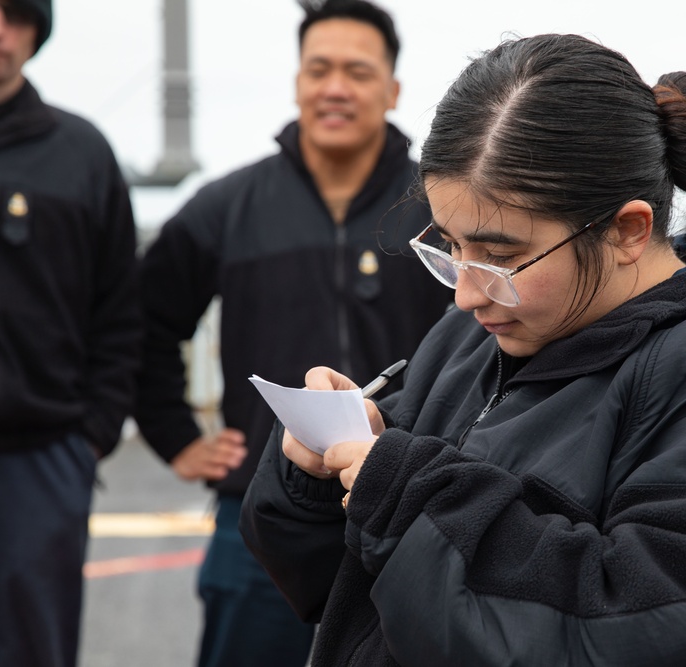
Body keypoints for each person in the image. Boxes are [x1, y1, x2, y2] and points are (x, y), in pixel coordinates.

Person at [239, 34, 686, 665]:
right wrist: (323, 478)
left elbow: (662, 635)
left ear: (629, 229)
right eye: (450, 248)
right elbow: (350, 597)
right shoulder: (480, 332)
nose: (466, 292)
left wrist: (411, 497)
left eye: (500, 255)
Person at [133, 1, 450, 665]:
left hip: (410, 505)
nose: (336, 87)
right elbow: (142, 318)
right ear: (298, 81)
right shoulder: (229, 206)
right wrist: (176, 436)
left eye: (358, 72)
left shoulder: (441, 208)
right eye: (319, 69)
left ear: (392, 89)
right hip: (259, 516)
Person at [0, 1, 140, 666]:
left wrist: (89, 434)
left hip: (42, 461)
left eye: (14, 13)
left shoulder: (81, 154)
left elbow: (121, 307)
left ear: (36, 31)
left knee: (33, 649)